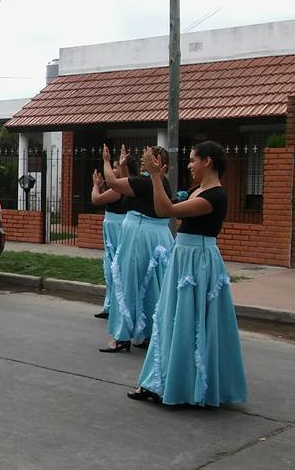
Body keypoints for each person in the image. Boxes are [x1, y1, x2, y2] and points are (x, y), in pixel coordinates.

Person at [129, 141, 247, 407]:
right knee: (174, 317)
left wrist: (156, 176)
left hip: (198, 262)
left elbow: (165, 211)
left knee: (186, 320)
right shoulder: (198, 191)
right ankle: (166, 381)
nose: (190, 165)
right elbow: (164, 206)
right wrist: (157, 180)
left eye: (193, 160)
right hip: (185, 258)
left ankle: (178, 386)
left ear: (208, 161)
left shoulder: (214, 196)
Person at [98, 144, 174, 352]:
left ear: (162, 164)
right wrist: (124, 167)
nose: (144, 159)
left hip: (139, 235)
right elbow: (128, 186)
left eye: (149, 158)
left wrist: (106, 160)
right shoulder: (161, 183)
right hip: (157, 236)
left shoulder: (145, 181)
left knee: (126, 281)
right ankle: (147, 332)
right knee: (150, 286)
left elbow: (113, 182)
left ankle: (122, 336)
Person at [90, 156, 138, 320]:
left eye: (116, 167)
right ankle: (109, 306)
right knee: (110, 269)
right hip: (111, 229)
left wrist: (96, 186)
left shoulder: (119, 189)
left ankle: (115, 307)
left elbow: (96, 199)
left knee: (115, 269)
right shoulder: (119, 188)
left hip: (117, 230)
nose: (113, 170)